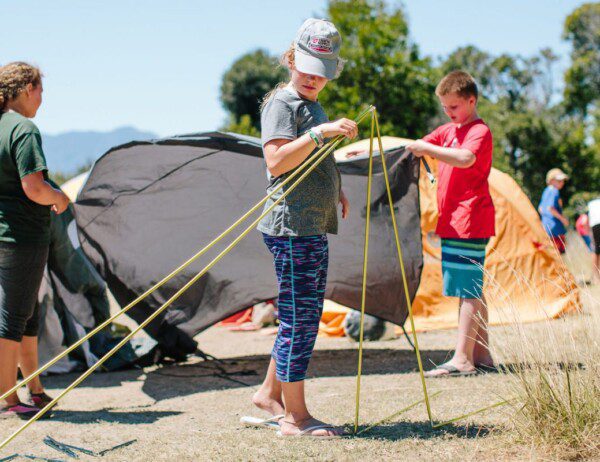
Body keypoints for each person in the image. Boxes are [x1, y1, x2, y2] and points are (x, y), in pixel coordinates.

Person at [242, 19, 357, 437]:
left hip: (311, 222)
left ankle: (268, 395)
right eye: (308, 67)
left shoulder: (312, 106)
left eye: (322, 72)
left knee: (302, 313)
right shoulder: (282, 104)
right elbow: (275, 161)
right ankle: (296, 417)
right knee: (300, 319)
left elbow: (313, 162)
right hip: (291, 227)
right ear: (291, 59)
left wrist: (336, 188)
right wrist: (319, 132)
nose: (314, 78)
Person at [406, 70, 496, 377]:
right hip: (453, 222)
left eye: (454, 107)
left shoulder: (478, 131)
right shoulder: (448, 130)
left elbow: (465, 158)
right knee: (471, 287)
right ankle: (482, 356)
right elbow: (416, 144)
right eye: (445, 107)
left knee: (467, 289)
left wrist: (427, 149)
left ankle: (462, 359)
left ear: (471, 101)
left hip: (469, 220)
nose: (449, 112)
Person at [0, 62, 71, 419]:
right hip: (21, 236)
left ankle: (35, 389)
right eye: (41, 90)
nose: (42, 98)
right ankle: (8, 399)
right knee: (13, 319)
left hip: (5, 236)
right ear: (28, 88)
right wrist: (60, 198)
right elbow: (34, 187)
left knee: (25, 316)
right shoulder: (24, 129)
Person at [538, 168, 569, 254]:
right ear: (551, 181)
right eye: (559, 180)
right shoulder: (555, 191)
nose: (562, 182)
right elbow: (550, 208)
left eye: (563, 180)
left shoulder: (545, 191)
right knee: (560, 253)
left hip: (546, 227)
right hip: (555, 227)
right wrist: (563, 219)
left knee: (552, 254)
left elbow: (540, 208)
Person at [588, 197, 600, 284]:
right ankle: (596, 277)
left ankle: (596, 277)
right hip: (596, 222)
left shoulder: (592, 204)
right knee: (596, 250)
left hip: (594, 224)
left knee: (596, 250)